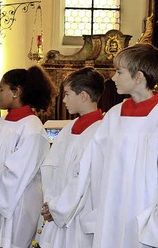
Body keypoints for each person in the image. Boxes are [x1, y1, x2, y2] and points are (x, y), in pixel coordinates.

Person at [85, 43, 158, 247]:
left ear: (139, 77)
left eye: (119, 72)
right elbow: (97, 165)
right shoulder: (114, 115)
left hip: (146, 219)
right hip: (111, 213)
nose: (113, 78)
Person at [0, 66, 55, 248]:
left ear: (16, 92)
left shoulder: (32, 128)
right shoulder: (0, 123)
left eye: (2, 90)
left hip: (18, 203)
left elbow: (19, 171)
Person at [36, 67, 105, 248]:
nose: (64, 100)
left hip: (80, 215)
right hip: (56, 208)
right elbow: (50, 166)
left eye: (67, 94)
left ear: (83, 96)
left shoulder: (101, 132)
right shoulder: (69, 128)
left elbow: (84, 179)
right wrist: (50, 202)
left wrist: (57, 207)